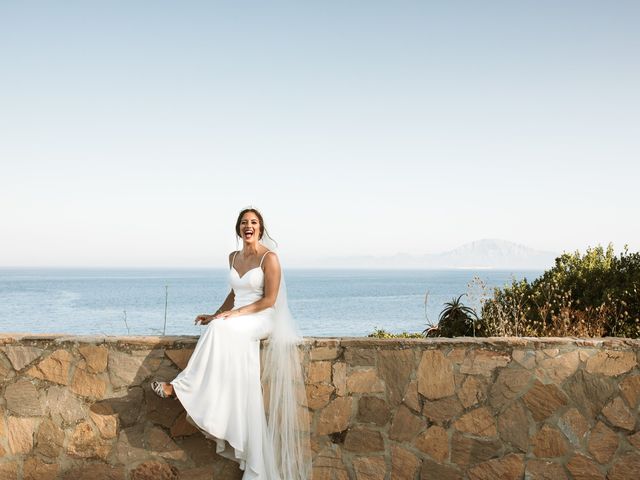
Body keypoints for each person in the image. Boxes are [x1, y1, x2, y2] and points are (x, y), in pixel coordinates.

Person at [150, 207, 311, 480]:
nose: (249, 226)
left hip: (262, 317)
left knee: (224, 329)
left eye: (254, 223)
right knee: (216, 327)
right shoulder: (233, 257)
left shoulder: (269, 258)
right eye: (244, 223)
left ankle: (179, 388)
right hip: (237, 318)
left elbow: (269, 300)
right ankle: (205, 398)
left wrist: (234, 314)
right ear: (238, 228)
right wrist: (216, 314)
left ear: (260, 228)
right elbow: (233, 293)